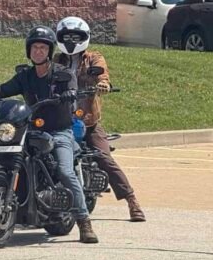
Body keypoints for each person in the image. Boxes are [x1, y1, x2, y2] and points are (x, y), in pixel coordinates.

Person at [0, 26, 99, 244]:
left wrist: (69, 94)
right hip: (30, 128)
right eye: (34, 47)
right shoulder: (25, 76)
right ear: (29, 50)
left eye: (43, 47)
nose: (38, 51)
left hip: (59, 131)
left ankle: (84, 221)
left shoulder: (62, 73)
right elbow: (4, 89)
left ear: (48, 50)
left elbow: (71, 87)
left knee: (64, 170)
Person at [54, 16, 145, 222]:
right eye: (66, 36)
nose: (71, 40)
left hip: (87, 121)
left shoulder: (94, 58)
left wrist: (103, 84)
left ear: (84, 38)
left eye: (75, 36)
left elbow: (102, 75)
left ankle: (132, 200)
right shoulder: (56, 61)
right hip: (61, 121)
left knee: (104, 157)